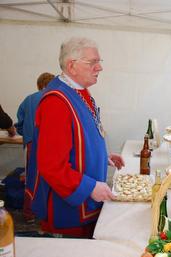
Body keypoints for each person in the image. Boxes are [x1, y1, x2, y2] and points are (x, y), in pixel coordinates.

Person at [26, 37, 125, 238]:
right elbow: (51, 165)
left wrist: (101, 157)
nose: (99, 68)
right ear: (72, 66)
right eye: (93, 62)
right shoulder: (57, 102)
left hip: (85, 203)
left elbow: (80, 138)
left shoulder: (79, 92)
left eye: (99, 62)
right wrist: (89, 187)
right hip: (70, 210)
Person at [15, 72, 55, 222]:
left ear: (39, 84)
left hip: (32, 143)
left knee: (31, 179)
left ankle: (29, 214)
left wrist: (26, 133)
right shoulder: (56, 98)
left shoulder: (29, 99)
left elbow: (19, 123)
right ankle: (48, 214)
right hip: (51, 144)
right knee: (51, 178)